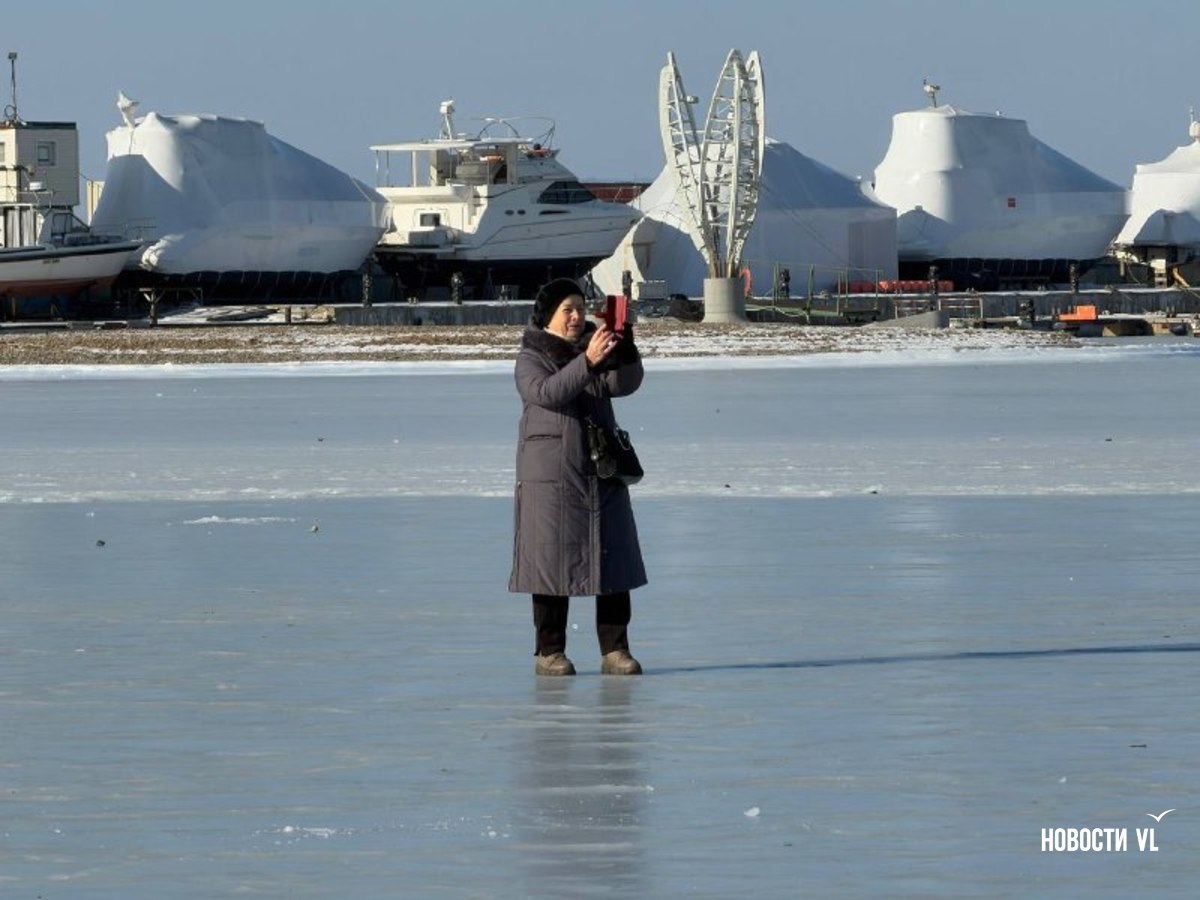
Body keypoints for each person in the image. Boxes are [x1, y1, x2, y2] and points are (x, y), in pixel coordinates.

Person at [509, 278, 647, 676]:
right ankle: (549, 652)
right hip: (551, 477)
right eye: (567, 310)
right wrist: (586, 361)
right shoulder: (530, 357)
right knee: (550, 562)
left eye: (580, 309)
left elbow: (622, 384)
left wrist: (625, 347)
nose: (576, 316)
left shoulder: (595, 347)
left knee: (612, 557)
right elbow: (547, 392)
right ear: (547, 316)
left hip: (601, 467)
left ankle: (615, 650)